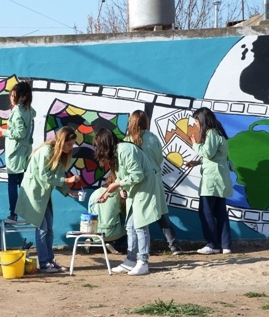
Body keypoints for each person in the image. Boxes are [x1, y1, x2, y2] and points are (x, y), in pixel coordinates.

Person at [94, 128, 164, 275]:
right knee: (130, 226)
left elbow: (137, 174)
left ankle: (143, 262)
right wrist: (113, 191)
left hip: (145, 188)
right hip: (135, 190)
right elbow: (123, 176)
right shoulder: (117, 152)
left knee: (140, 225)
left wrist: (118, 185)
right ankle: (131, 260)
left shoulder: (125, 150)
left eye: (98, 145)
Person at [15, 126, 80, 273]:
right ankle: (44, 263)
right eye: (69, 144)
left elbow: (56, 176)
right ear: (62, 141)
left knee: (49, 228)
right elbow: (45, 176)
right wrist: (67, 181)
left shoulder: (60, 154)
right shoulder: (46, 151)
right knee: (42, 229)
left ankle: (50, 261)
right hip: (34, 194)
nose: (71, 148)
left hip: (43, 195)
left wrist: (68, 191)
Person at [125, 110, 182, 255]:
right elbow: (160, 159)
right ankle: (173, 245)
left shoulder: (128, 140)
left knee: (138, 217)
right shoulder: (153, 138)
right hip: (155, 179)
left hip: (137, 183)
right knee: (161, 213)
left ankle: (139, 250)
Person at [185, 107, 233, 255]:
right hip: (220, 178)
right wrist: (197, 163)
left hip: (212, 180)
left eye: (196, 121)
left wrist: (194, 144)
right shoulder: (219, 133)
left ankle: (212, 244)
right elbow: (216, 155)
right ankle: (225, 245)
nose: (196, 124)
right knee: (220, 213)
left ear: (202, 120)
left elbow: (208, 153)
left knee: (206, 212)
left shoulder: (211, 132)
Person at [0, 81, 36, 224]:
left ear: (22, 97)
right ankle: (28, 212)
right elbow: (32, 115)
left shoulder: (17, 111)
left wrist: (1, 130)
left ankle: (13, 214)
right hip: (24, 151)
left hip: (16, 152)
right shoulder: (28, 109)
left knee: (12, 184)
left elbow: (20, 132)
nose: (11, 98)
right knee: (23, 183)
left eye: (14, 95)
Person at [88, 175, 126, 251]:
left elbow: (89, 213)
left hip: (94, 233)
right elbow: (123, 213)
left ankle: (91, 240)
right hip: (112, 232)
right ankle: (114, 243)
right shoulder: (118, 194)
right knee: (131, 229)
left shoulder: (94, 193)